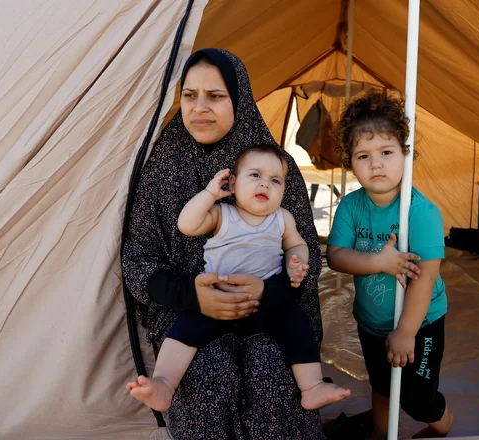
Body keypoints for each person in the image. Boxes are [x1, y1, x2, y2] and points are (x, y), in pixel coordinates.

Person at [121, 49, 326, 439]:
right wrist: (192, 296)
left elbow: (308, 255)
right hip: (188, 314)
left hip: (272, 309)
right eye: (189, 95)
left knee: (270, 365)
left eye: (215, 96)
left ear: (240, 99)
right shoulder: (161, 167)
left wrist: (269, 291)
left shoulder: (273, 166)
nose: (199, 108)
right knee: (208, 371)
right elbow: (137, 261)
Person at [126, 144, 350, 412]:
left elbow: (297, 245)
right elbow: (187, 225)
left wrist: (296, 263)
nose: (265, 185)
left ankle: (311, 386)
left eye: (275, 180)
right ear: (232, 183)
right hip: (218, 303)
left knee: (296, 323)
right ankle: (164, 384)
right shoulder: (223, 215)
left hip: (264, 304)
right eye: (255, 175)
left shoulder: (282, 218)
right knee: (184, 328)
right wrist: (210, 194)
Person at [326, 91, 454, 439]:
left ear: (405, 154)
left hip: (421, 323)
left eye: (386, 152)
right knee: (381, 385)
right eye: (363, 156)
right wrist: (378, 261)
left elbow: (426, 278)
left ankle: (442, 425)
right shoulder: (351, 207)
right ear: (350, 162)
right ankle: (380, 434)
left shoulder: (421, 212)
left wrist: (406, 332)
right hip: (371, 323)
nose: (376, 164)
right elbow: (335, 256)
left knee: (418, 398)